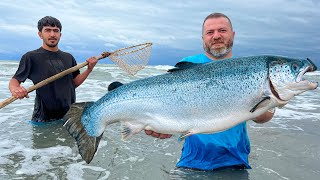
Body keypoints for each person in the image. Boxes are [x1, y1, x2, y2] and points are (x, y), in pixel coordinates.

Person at [145, 12, 275, 170]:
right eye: (210, 32)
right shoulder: (187, 65)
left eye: (222, 30)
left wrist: (262, 102)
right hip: (192, 163)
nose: (216, 36)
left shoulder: (248, 70)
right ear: (203, 38)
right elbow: (166, 102)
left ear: (232, 34)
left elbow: (263, 118)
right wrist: (158, 124)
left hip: (235, 162)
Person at [8, 16, 98, 122]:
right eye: (47, 30)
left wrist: (89, 69)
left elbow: (74, 83)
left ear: (60, 35)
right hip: (43, 120)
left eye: (56, 31)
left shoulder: (68, 57)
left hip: (68, 117)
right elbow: (15, 80)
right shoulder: (31, 57)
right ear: (40, 34)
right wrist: (15, 89)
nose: (52, 34)